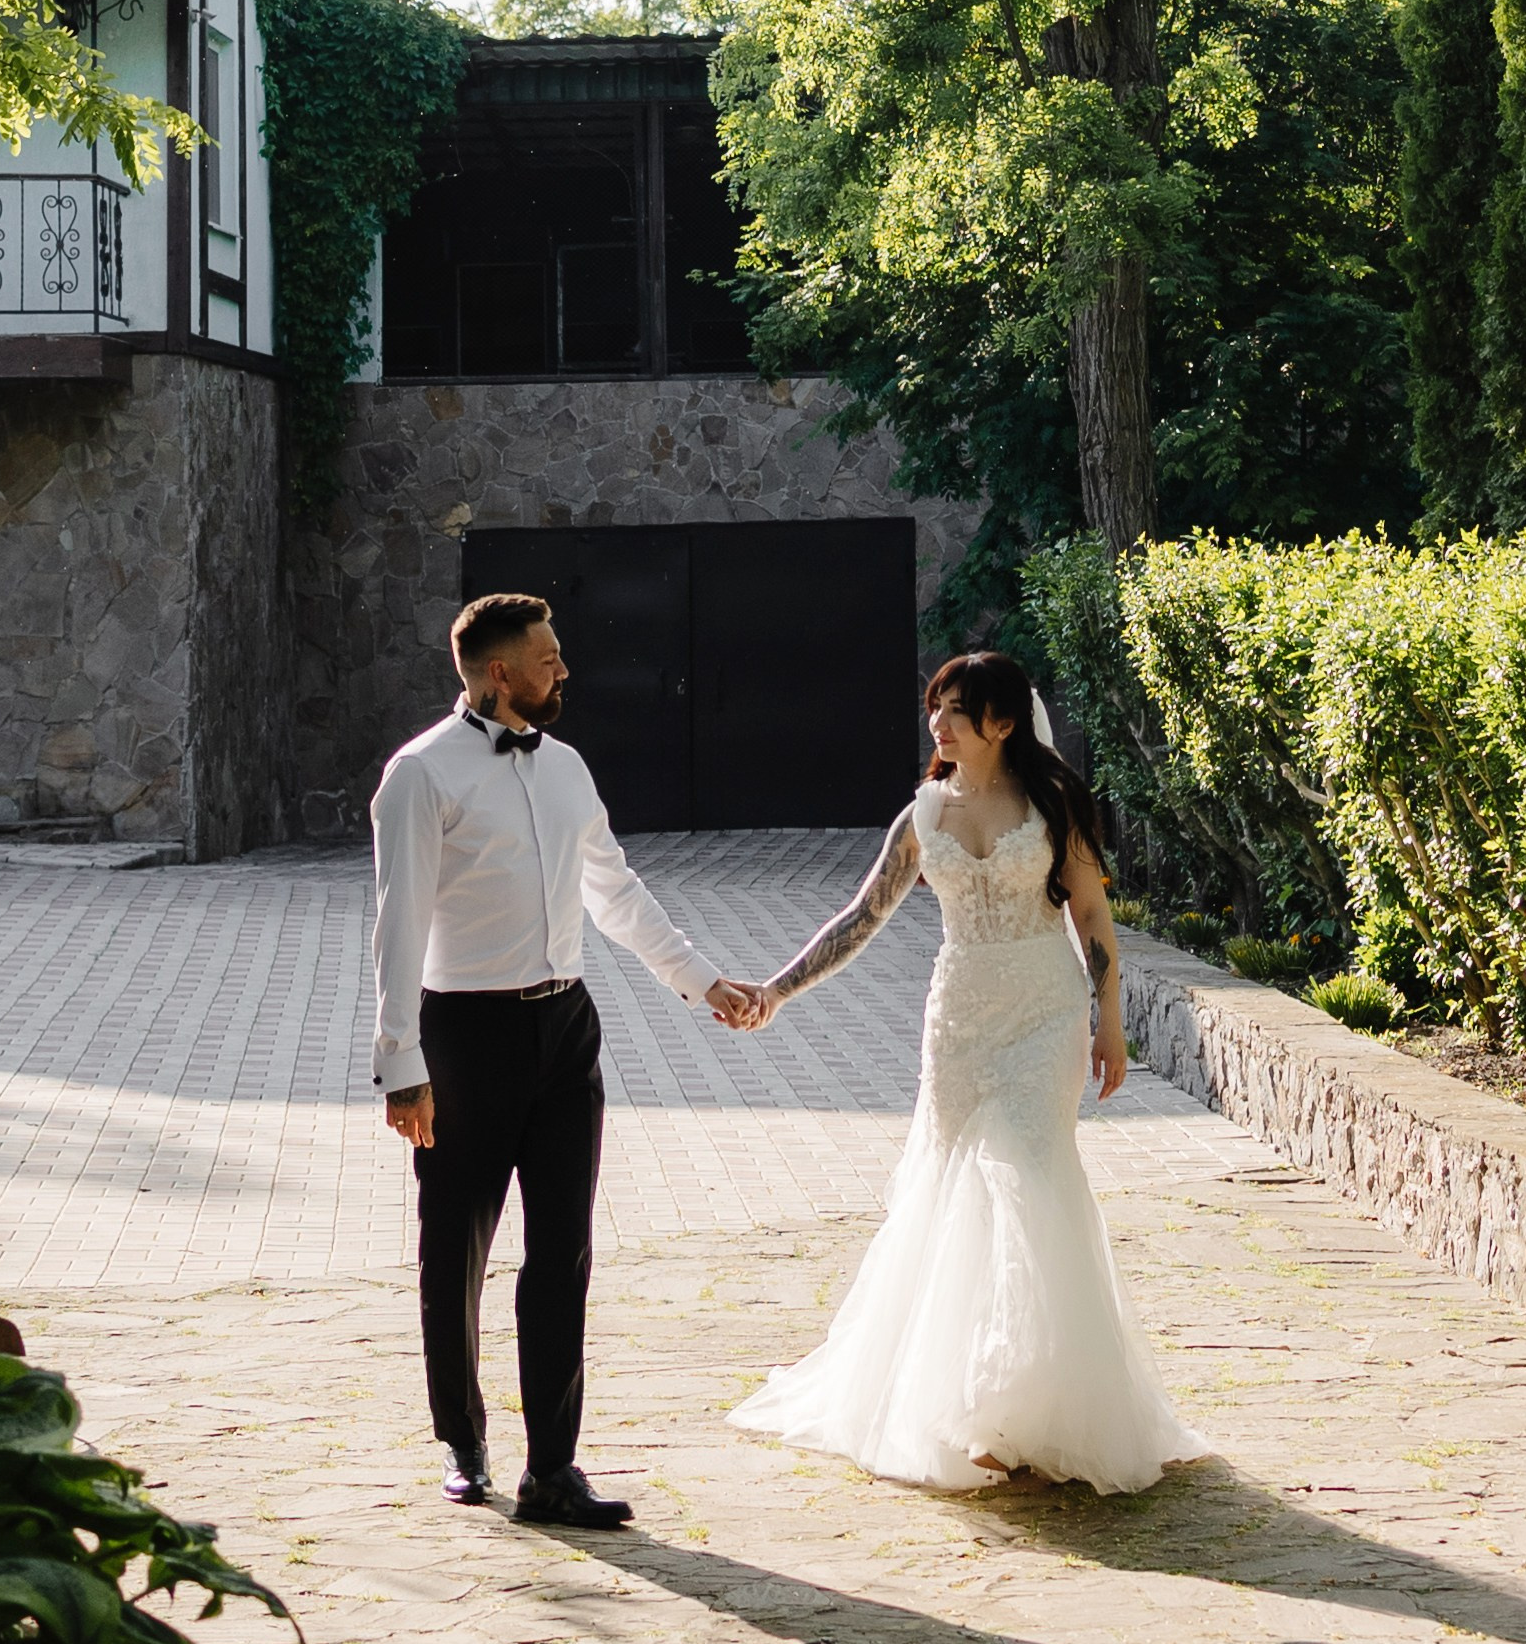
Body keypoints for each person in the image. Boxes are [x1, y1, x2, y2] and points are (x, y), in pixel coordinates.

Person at [728, 648, 1206, 1495]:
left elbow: (1091, 914)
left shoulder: (1054, 802)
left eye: (955, 709)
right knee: (957, 1191)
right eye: (935, 708)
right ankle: (972, 1405)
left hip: (1045, 1011)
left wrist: (1110, 1025)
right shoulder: (922, 815)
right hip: (958, 1019)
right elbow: (859, 918)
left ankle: (1030, 1399)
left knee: (1026, 1173)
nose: (938, 723)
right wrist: (777, 989)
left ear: (1004, 721)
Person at [372, 590, 763, 1523]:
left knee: (564, 1254)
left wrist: (702, 979)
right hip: (462, 1035)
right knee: (453, 1251)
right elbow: (398, 923)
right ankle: (463, 1442)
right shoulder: (419, 776)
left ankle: (553, 1467)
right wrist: (400, 1062)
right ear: (499, 670)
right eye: (549, 658)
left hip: (566, 1030)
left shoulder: (570, 770)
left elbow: (616, 892)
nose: (565, 670)